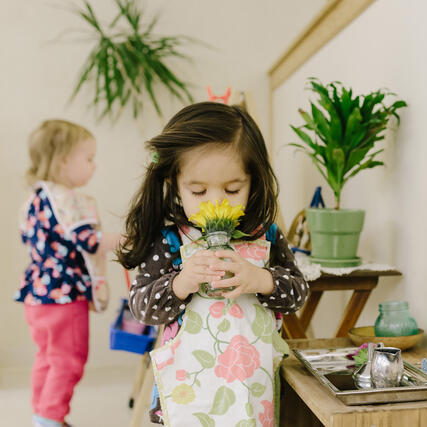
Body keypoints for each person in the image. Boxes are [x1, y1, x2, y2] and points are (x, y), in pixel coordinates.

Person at [117, 102, 308, 425]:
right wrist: (181, 283)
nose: (216, 202)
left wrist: (262, 280)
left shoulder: (267, 236)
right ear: (176, 185)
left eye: (233, 189)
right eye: (198, 190)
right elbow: (141, 307)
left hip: (253, 388)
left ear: (253, 182)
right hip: (189, 389)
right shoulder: (171, 241)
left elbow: (298, 293)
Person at [15, 119, 121, 427]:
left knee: (46, 357)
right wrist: (122, 240)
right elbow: (88, 241)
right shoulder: (69, 200)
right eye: (88, 158)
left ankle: (42, 411)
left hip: (36, 293)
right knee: (69, 359)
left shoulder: (34, 198)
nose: (94, 166)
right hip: (64, 295)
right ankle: (50, 417)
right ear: (63, 161)